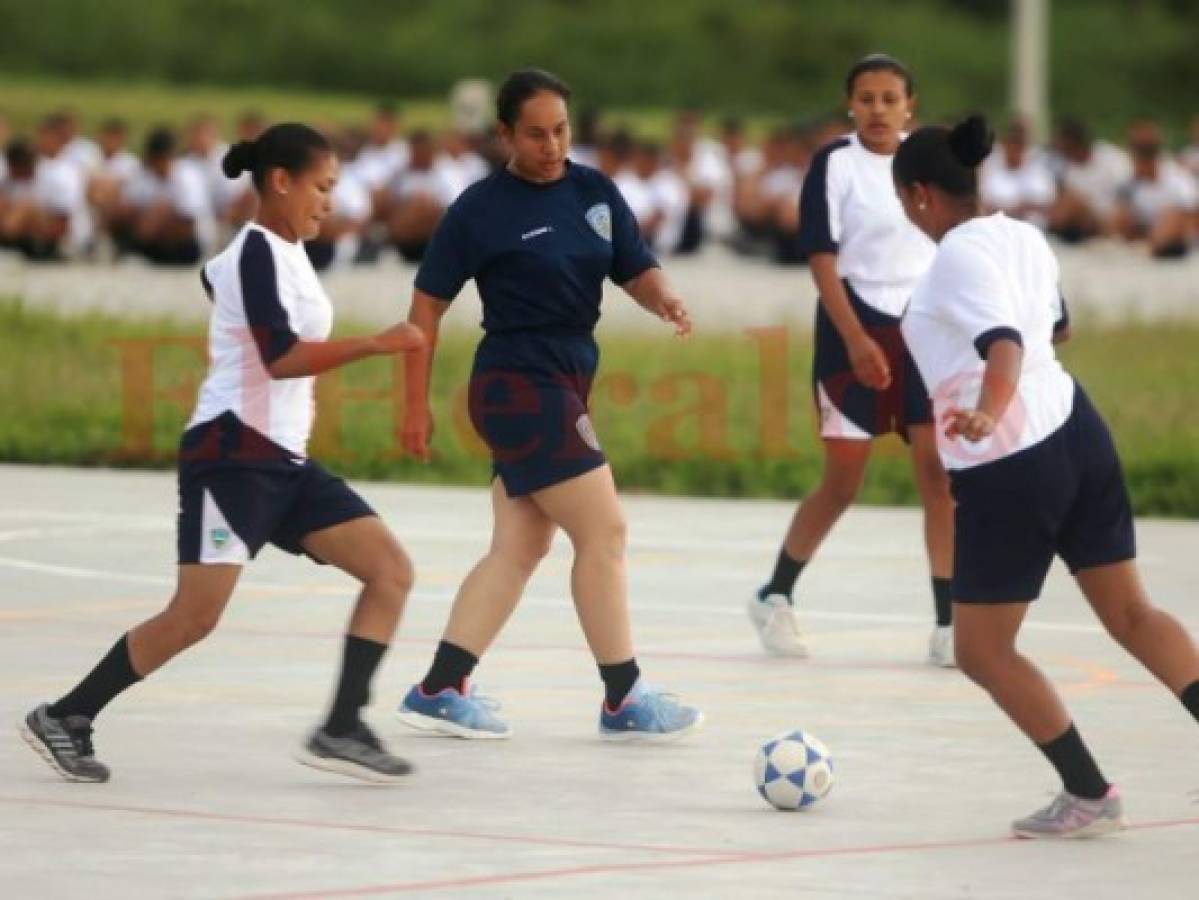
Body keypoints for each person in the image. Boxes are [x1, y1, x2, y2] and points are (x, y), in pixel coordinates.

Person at [20, 123, 426, 785]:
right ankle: (66, 715)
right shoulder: (258, 252)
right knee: (194, 616)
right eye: (321, 188)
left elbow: (216, 281)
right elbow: (281, 357)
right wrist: (375, 345)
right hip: (233, 455)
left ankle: (343, 724)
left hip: (283, 461)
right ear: (280, 182)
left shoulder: (277, 254)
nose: (329, 202)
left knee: (390, 570)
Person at [894, 114, 1199, 838]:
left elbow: (1002, 344)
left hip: (1009, 462)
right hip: (1075, 430)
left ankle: (1088, 793)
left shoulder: (952, 262)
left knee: (980, 649)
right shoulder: (1021, 235)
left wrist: (983, 409)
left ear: (917, 197)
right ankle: (1088, 791)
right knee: (1132, 614)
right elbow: (1051, 330)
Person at [397, 69, 702, 742]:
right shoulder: (479, 208)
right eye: (534, 133)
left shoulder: (594, 190)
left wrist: (663, 298)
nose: (551, 145)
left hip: (566, 376)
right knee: (605, 532)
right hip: (516, 382)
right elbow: (426, 306)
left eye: (560, 130)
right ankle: (623, 696)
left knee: (519, 545)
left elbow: (634, 266)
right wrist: (413, 404)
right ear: (504, 133)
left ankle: (441, 686)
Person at [749, 54, 955, 665]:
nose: (878, 109)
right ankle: (775, 592)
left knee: (938, 477)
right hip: (851, 325)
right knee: (844, 480)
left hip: (923, 328)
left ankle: (948, 624)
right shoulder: (834, 163)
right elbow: (820, 256)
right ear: (851, 105)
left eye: (890, 98)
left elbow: (956, 239)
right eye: (866, 98)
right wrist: (857, 339)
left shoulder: (933, 162)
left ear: (909, 105)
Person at [1109, 118, 1197, 259]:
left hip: (1177, 237)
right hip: (1144, 233)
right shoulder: (1128, 182)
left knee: (1172, 214)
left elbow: (1191, 216)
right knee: (1119, 213)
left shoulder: (1177, 177)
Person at [1046, 117, 1131, 244]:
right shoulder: (1068, 169)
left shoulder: (1111, 158)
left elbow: (1126, 194)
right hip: (1086, 221)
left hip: (1113, 217)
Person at [979, 116, 1055, 227]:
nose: (1016, 149)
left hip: (1033, 229)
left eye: (1020, 143)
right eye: (1013, 142)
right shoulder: (990, 162)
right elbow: (984, 203)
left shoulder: (1038, 161)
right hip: (997, 228)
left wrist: (1023, 207)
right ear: (1005, 143)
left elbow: (1048, 203)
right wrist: (1013, 210)